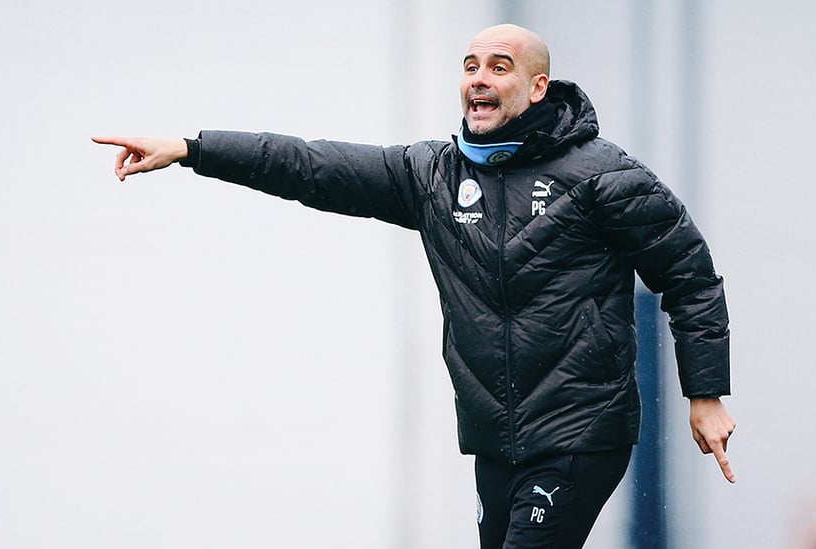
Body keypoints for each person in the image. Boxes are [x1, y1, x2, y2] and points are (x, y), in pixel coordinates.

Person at [94, 23, 736, 549]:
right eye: (470, 65)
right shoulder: (429, 174)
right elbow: (310, 165)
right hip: (495, 435)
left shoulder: (602, 175)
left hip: (579, 429)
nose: (479, 78)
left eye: (499, 66)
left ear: (538, 87)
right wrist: (191, 148)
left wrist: (705, 392)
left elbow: (690, 276)